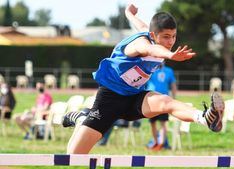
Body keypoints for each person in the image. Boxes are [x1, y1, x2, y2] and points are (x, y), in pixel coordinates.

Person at [63, 4, 224, 154]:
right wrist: (170, 55)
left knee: (165, 102)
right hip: (110, 99)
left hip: (134, 98)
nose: (171, 42)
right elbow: (150, 48)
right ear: (154, 35)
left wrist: (128, 13)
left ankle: (205, 118)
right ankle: (81, 118)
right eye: (166, 37)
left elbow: (140, 25)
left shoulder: (151, 33)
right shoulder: (141, 43)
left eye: (174, 36)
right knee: (74, 154)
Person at [146, 63, 176, 151]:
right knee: (152, 123)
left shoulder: (169, 71)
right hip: (152, 99)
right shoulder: (150, 69)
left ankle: (161, 143)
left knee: (163, 123)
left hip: (164, 100)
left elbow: (173, 85)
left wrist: (174, 99)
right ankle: (155, 142)